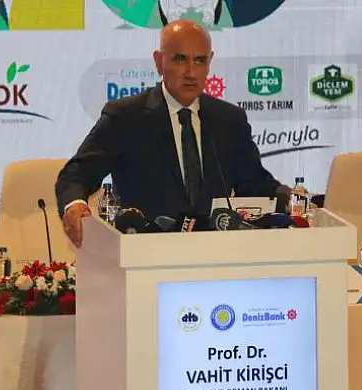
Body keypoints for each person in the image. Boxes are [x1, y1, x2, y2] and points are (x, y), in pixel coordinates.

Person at [55, 19, 290, 247]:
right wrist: (74, 205)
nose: (191, 72)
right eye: (180, 59)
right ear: (159, 62)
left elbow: (256, 185)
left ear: (210, 62)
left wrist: (294, 200)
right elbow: (75, 175)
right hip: (144, 254)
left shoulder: (228, 120)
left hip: (217, 254)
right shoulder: (126, 117)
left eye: (200, 60)